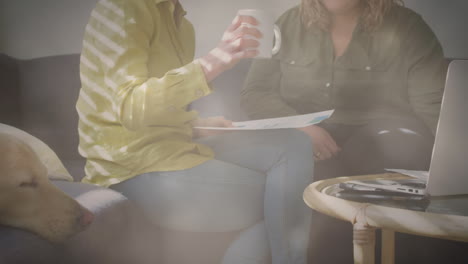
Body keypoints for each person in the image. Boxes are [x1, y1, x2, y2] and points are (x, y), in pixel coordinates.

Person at [76, 0, 314, 263]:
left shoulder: (181, 23)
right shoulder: (123, 8)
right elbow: (130, 108)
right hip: (132, 165)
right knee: (285, 206)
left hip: (172, 145)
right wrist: (216, 60)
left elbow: (154, 107)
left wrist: (197, 126)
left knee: (294, 142)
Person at [241, 0, 448, 263]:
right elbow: (255, 92)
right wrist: (301, 127)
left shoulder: (409, 27)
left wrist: (457, 160)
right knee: (303, 167)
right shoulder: (287, 24)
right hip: (308, 136)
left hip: (383, 138)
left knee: (388, 153)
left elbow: (432, 103)